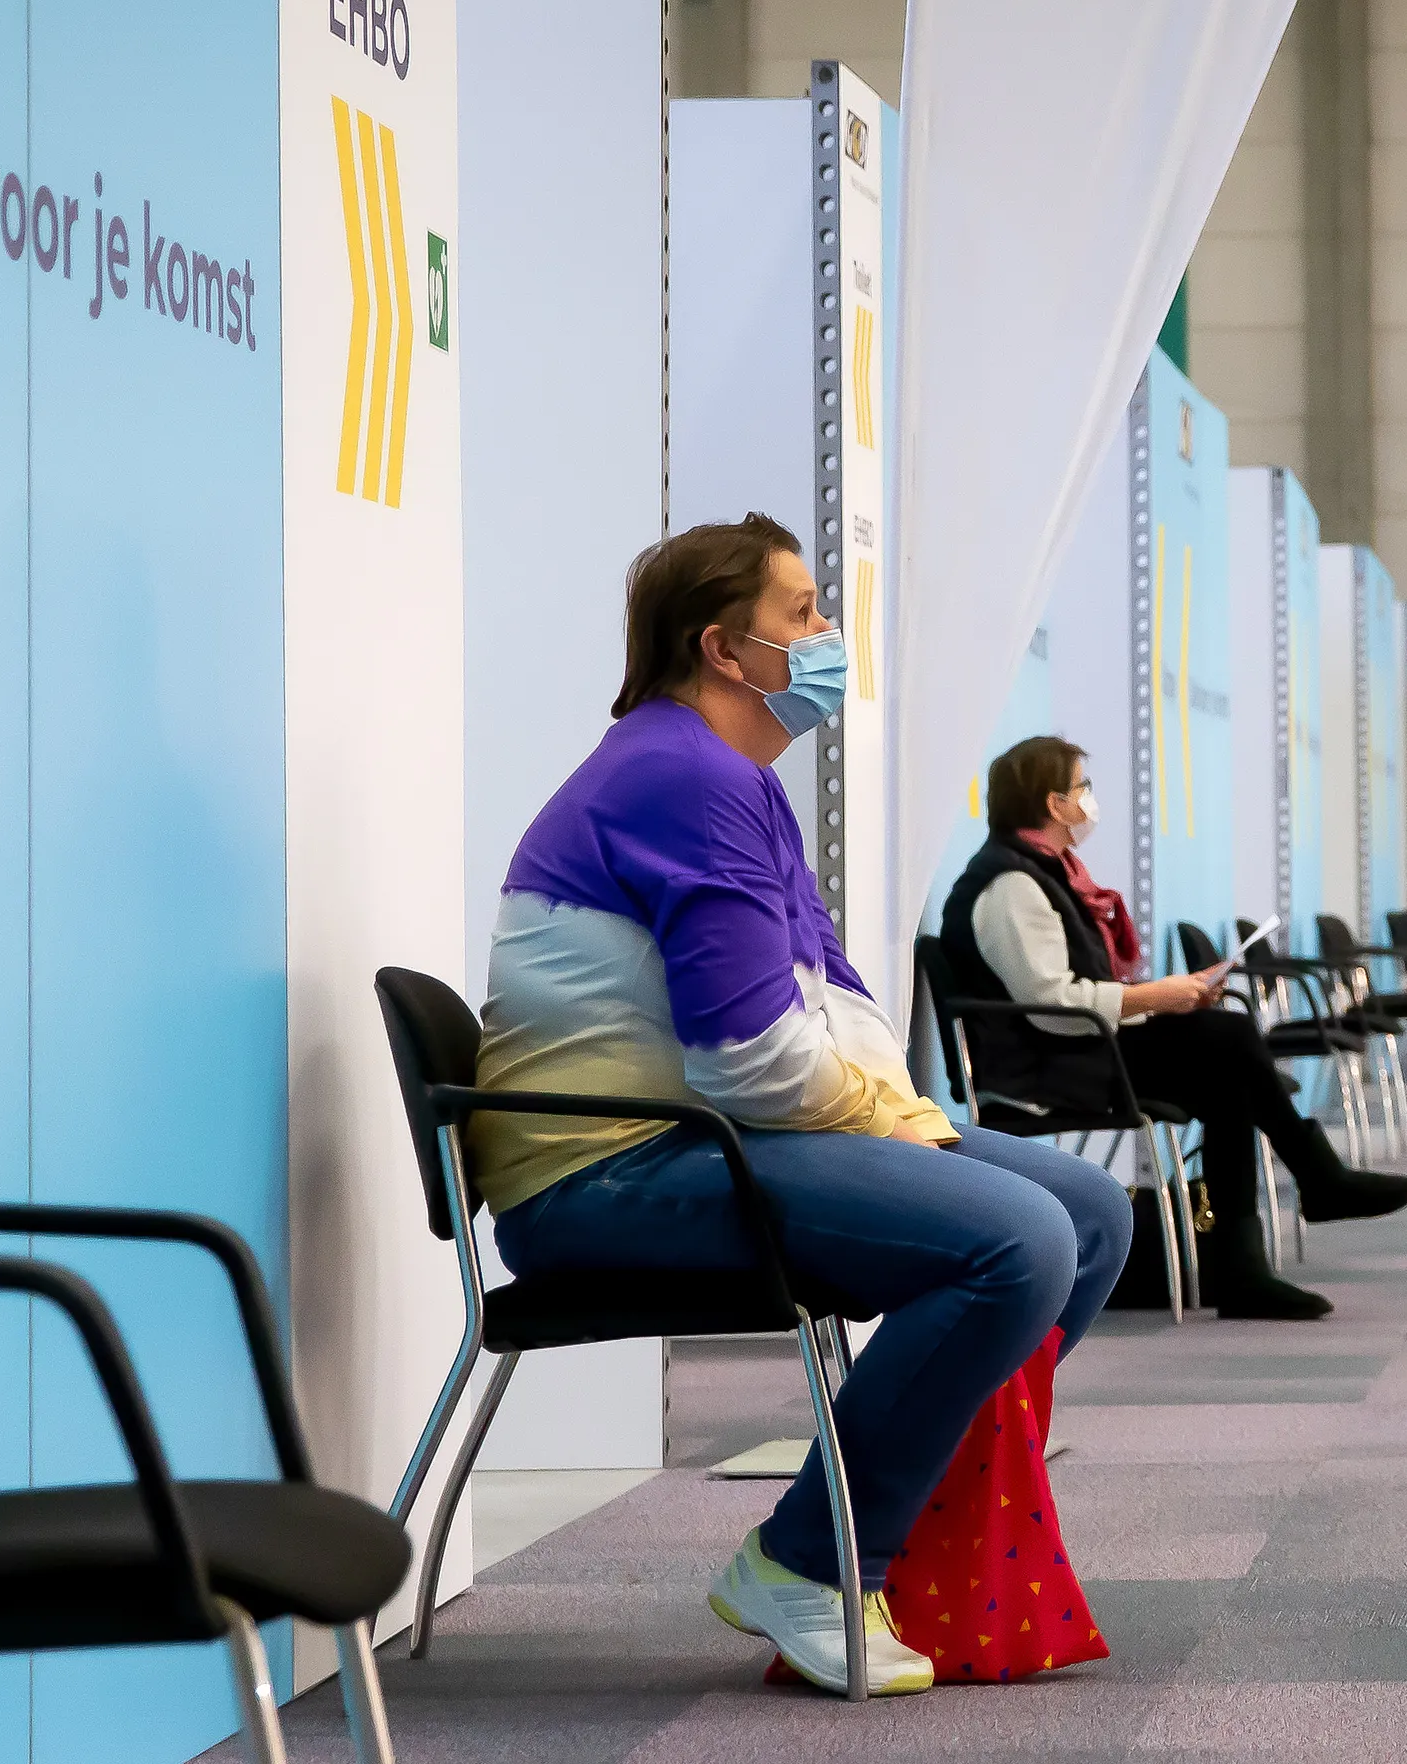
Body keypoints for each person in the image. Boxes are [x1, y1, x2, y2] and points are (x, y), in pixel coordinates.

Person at [473, 515, 1135, 1697]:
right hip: (611, 1175)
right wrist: (889, 1123)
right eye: (805, 613)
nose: (829, 635)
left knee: (1088, 1212)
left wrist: (905, 1113)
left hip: (710, 1138)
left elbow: (829, 1003)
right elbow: (747, 1058)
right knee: (1017, 1238)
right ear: (726, 650)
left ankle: (896, 1514)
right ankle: (812, 1557)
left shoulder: (734, 778)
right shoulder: (682, 776)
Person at [939, 735, 1407, 1321]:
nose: (1091, 799)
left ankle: (1252, 1261)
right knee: (1230, 1041)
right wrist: (1159, 996)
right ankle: (1312, 1186)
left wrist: (1170, 999)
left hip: (1078, 1049)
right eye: (1082, 787)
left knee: (1227, 1065)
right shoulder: (1011, 886)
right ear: (1054, 803)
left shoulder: (1050, 873)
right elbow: (1051, 1005)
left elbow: (1074, 999)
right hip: (1042, 1067)